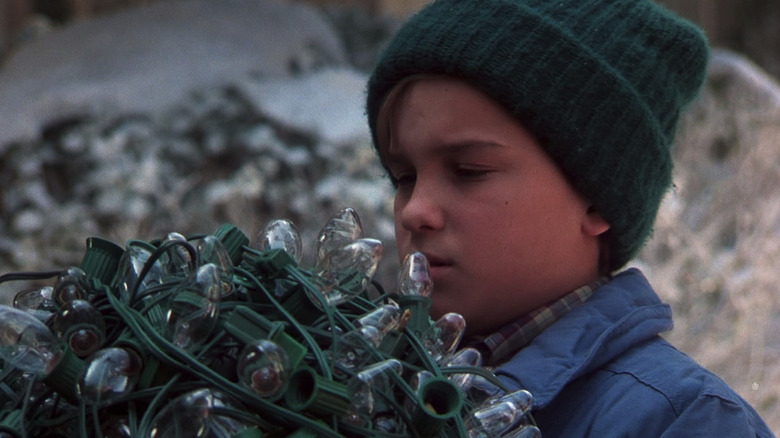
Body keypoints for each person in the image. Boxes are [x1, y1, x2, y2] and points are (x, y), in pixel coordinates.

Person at [364, 0, 775, 436]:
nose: (414, 211)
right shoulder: (368, 387)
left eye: (468, 171)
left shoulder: (683, 421)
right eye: (403, 178)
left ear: (595, 198)